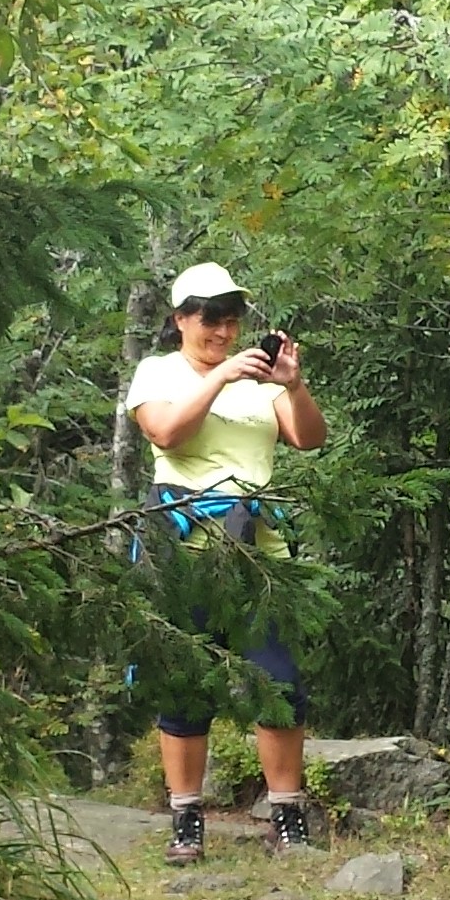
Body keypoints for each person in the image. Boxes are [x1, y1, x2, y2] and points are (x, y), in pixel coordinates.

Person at [127, 260, 327, 862]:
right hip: (185, 546)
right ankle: (186, 818)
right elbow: (165, 433)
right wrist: (219, 378)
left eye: (232, 318)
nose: (223, 330)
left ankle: (286, 815)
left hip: (258, 549)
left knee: (279, 680)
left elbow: (309, 438)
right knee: (186, 683)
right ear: (181, 319)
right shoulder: (158, 372)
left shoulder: (258, 380)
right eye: (211, 317)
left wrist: (291, 384)